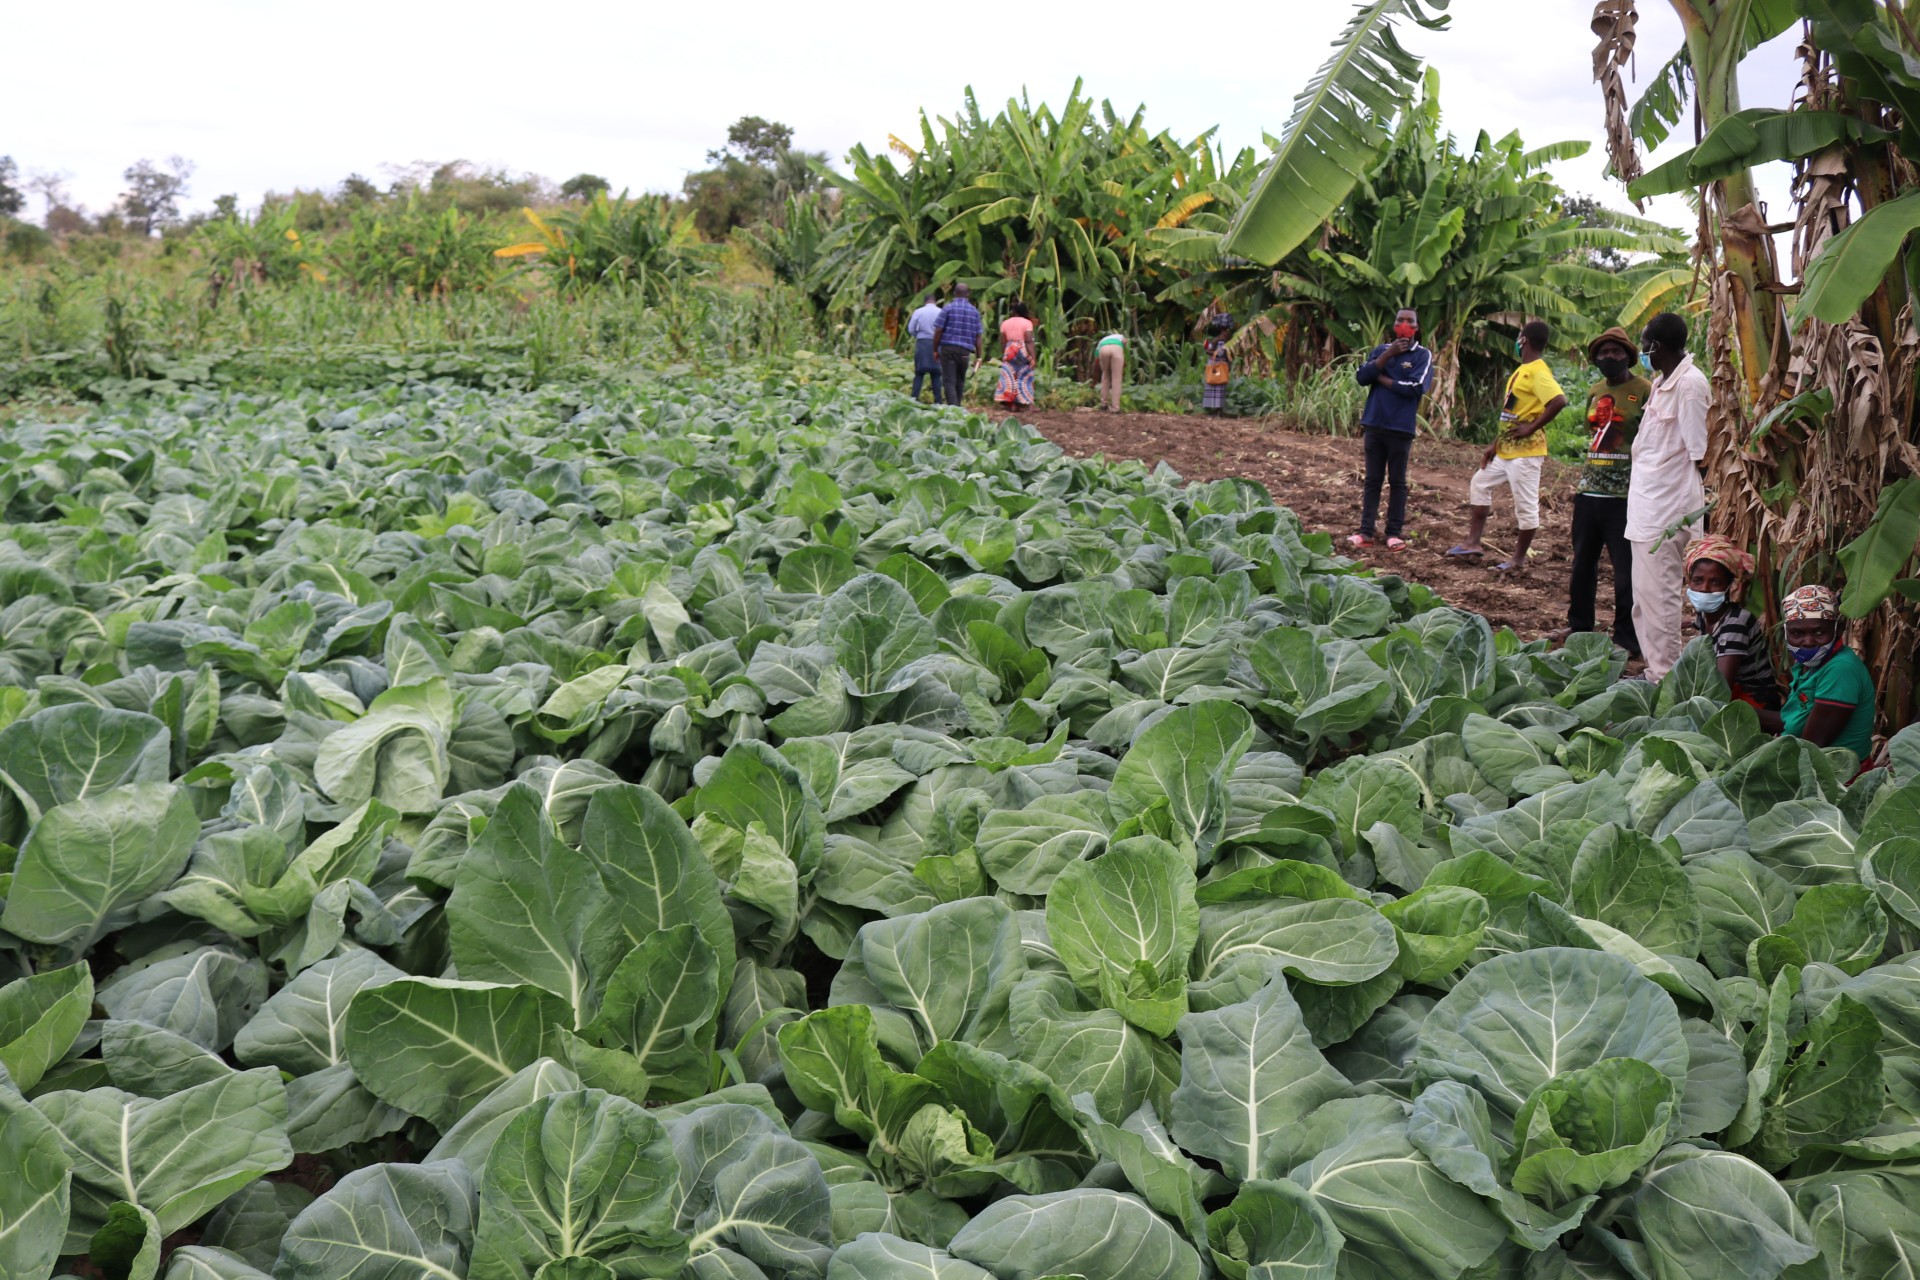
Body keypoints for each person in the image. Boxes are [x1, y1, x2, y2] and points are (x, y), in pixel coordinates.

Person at [1552, 326, 1649, 656]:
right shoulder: (1595, 390)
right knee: (1582, 565)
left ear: (1629, 356)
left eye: (1616, 352)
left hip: (1625, 495)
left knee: (1625, 571)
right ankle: (1579, 626)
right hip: (1589, 490)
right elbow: (1590, 433)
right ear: (1595, 359)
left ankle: (1626, 638)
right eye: (1603, 353)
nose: (1609, 357)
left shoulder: (1645, 390)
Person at [1627, 310, 1709, 680]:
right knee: (1644, 601)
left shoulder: (1690, 384)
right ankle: (1656, 673)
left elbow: (1700, 453)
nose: (1643, 353)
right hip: (1646, 508)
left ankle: (1666, 681)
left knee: (1660, 600)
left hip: (1666, 511)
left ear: (1657, 346)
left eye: (1645, 345)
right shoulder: (1663, 383)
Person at [1449, 319, 1567, 573]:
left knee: (1525, 506)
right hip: (1506, 450)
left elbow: (1559, 400)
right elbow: (1509, 414)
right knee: (1480, 483)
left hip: (1526, 454)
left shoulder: (1537, 371)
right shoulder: (1521, 371)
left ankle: (1518, 560)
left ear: (1523, 340)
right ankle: (1473, 543)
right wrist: (1495, 444)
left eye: (1518, 338)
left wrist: (1530, 428)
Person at [1349, 307, 1434, 551]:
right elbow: (1362, 376)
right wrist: (1386, 358)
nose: (1405, 324)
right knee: (1372, 480)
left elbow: (1415, 387)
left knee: (1397, 482)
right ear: (1394, 324)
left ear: (1417, 328)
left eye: (1410, 321)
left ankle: (1393, 533)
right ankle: (1366, 532)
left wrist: (1382, 378)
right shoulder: (1381, 351)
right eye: (1400, 320)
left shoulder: (1422, 356)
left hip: (1400, 428)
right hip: (1374, 423)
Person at [1772, 584, 1877, 762]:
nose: (1808, 642)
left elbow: (1812, 746)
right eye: (1797, 633)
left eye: (1819, 632)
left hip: (1840, 779)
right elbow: (1793, 720)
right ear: (1786, 632)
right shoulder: (1807, 666)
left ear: (1837, 630)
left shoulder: (1841, 670)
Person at [1683, 535, 1779, 712]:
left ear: (1729, 586)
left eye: (1715, 582)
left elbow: (1721, 686)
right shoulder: (1703, 617)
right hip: (1729, 695)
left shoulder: (1736, 622)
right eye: (1698, 580)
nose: (1704, 588)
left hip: (1753, 702)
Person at [932, 282, 984, 407]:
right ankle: (958, 408)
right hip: (965, 352)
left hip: (948, 349)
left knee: (949, 381)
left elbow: (938, 330)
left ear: (954, 293)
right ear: (968, 295)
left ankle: (954, 409)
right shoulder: (975, 312)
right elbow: (978, 336)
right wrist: (979, 357)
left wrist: (935, 349)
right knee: (960, 381)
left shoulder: (948, 308)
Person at [995, 300, 1037, 409]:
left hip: (1009, 349)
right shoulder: (1027, 323)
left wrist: (1004, 353)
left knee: (1009, 375)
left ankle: (1010, 403)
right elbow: (1028, 340)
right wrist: (1032, 357)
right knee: (1024, 374)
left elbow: (1003, 341)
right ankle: (1024, 402)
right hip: (1021, 348)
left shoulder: (1005, 323)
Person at [906, 292, 943, 404]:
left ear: (925, 301)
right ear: (935, 301)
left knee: (919, 373)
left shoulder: (919, 311)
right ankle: (938, 402)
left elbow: (911, 329)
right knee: (936, 374)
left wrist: (918, 335)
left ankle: (914, 399)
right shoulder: (941, 312)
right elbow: (944, 329)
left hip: (922, 343)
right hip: (937, 344)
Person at [1202, 315, 1233, 416]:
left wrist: (1209, 351)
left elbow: (1219, 353)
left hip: (1217, 365)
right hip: (1221, 365)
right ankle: (1218, 410)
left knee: (1215, 385)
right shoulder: (1226, 337)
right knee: (1219, 386)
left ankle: (1217, 411)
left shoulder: (1220, 338)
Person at [1096, 331, 1125, 411]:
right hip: (1117, 349)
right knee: (1116, 378)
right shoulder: (1120, 336)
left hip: (1103, 349)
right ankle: (1115, 408)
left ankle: (1103, 404)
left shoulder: (1102, 340)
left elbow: (1097, 356)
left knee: (1105, 375)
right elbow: (1125, 342)